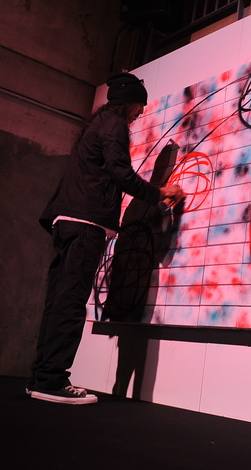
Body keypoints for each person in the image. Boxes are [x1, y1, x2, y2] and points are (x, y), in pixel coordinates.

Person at [28, 72, 184, 405]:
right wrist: (160, 193)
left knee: (58, 302)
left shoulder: (97, 124)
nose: (141, 112)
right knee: (70, 304)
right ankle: (52, 381)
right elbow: (121, 173)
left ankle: (42, 377)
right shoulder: (114, 125)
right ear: (128, 102)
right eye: (140, 105)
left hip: (66, 222)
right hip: (86, 224)